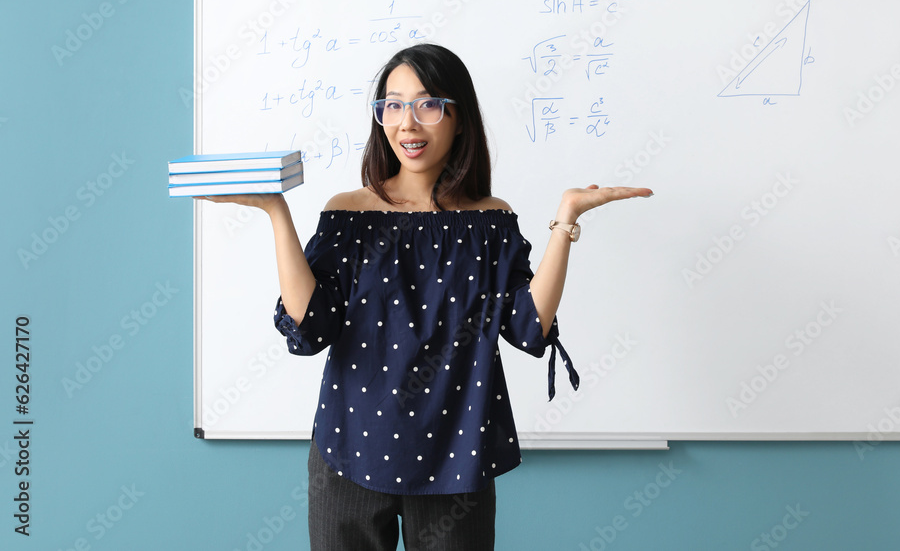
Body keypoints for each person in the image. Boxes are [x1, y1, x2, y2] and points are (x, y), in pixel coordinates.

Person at [200, 43, 652, 550]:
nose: (408, 123)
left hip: (458, 452)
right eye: (392, 105)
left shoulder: (489, 220)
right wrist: (276, 213)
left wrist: (566, 218)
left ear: (459, 118)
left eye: (427, 104)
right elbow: (311, 329)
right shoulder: (349, 214)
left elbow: (530, 327)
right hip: (349, 447)